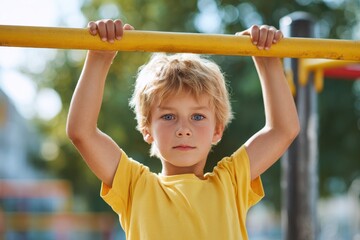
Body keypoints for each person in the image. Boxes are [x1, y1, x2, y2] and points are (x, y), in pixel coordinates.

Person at [66, 19, 300, 239]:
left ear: (217, 130)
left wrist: (268, 61)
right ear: (147, 130)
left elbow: (283, 130)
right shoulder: (135, 186)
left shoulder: (231, 182)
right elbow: (82, 132)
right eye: (168, 116)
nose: (183, 129)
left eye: (197, 116)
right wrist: (98, 58)